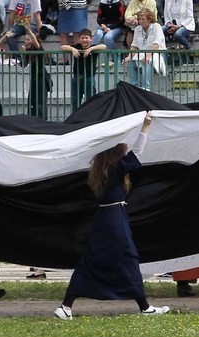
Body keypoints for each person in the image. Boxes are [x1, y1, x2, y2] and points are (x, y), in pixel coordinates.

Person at [55, 113, 169, 319]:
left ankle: (65, 306)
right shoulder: (116, 168)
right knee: (129, 258)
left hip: (105, 219)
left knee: (92, 261)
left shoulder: (102, 169)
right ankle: (144, 307)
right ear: (115, 152)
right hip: (114, 220)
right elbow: (138, 151)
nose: (125, 147)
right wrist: (145, 127)